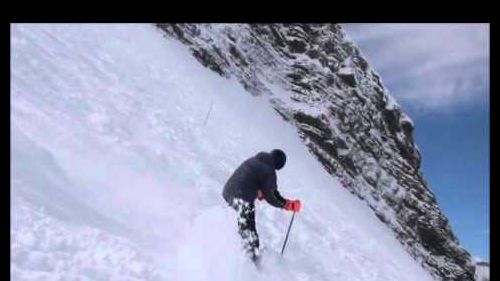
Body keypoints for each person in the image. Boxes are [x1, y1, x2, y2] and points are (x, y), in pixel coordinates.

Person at [222, 149, 302, 266]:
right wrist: (288, 204)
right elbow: (272, 195)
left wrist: (258, 191)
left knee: (240, 227)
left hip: (228, 192)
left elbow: (249, 179)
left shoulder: (256, 160)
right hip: (242, 198)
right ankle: (253, 266)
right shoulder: (269, 171)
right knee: (250, 234)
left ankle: (230, 252)